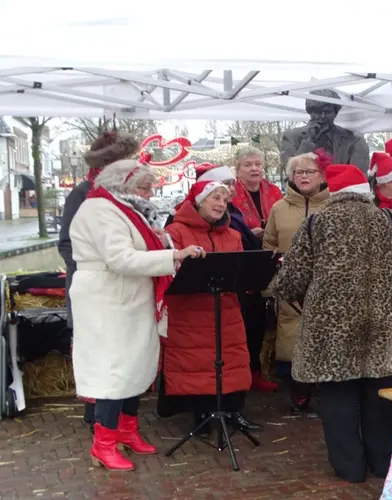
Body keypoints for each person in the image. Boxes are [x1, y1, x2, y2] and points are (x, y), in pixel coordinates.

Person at [274, 163, 392, 483]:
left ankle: (349, 468)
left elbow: (289, 282)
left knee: (338, 398)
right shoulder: (387, 218)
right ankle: (384, 463)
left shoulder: (315, 223)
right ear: (365, 190)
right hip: (384, 326)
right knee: (384, 397)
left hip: (332, 329)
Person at [69, 158, 205, 471]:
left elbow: (133, 250)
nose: (149, 192)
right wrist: (173, 254)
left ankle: (126, 431)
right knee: (112, 371)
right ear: (124, 184)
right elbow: (120, 258)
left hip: (128, 296)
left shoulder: (123, 209)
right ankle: (103, 443)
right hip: (109, 297)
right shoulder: (100, 210)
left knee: (134, 364)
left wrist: (158, 240)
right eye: (144, 186)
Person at [58, 132, 140, 431]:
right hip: (96, 291)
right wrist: (102, 270)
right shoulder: (83, 193)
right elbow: (67, 244)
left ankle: (119, 417)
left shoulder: (127, 196)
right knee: (97, 352)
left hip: (124, 292)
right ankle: (97, 419)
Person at [160, 181, 255, 431]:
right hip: (190, 310)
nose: (220, 204)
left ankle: (232, 410)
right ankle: (201, 412)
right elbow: (168, 268)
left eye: (224, 200)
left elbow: (240, 272)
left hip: (226, 310)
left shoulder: (233, 235)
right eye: (215, 197)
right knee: (196, 361)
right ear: (199, 201)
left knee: (232, 359)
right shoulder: (176, 231)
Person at [263, 150, 330, 415]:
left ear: (322, 175)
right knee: (293, 338)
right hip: (291, 285)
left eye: (309, 171)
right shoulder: (279, 208)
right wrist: (271, 284)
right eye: (298, 172)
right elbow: (269, 244)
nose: (303, 176)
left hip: (326, 284)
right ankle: (299, 393)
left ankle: (327, 393)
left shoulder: (333, 204)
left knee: (326, 337)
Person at [231, 146, 283, 390]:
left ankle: (260, 368)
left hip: (270, 255)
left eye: (258, 164)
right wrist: (248, 232)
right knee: (247, 316)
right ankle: (245, 371)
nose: (254, 169)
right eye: (248, 165)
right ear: (238, 169)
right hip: (243, 256)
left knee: (265, 317)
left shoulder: (273, 191)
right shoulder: (230, 193)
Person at [280, 89, 370, 173]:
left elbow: (358, 177)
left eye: (327, 112)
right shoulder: (291, 137)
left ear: (335, 113)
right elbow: (290, 172)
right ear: (310, 112)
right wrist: (309, 141)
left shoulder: (353, 141)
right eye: (318, 112)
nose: (323, 116)